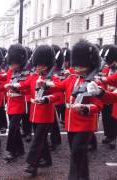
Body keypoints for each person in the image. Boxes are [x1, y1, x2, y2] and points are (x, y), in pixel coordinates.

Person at [46, 40, 103, 180]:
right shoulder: (71, 79)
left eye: (80, 64)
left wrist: (85, 108)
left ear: (88, 65)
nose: (76, 67)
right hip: (71, 123)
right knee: (79, 154)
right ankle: (84, 177)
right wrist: (46, 83)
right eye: (76, 64)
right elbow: (58, 86)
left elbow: (99, 105)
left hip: (85, 124)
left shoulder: (95, 82)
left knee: (76, 152)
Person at [10, 45, 60, 176]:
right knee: (41, 140)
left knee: (37, 140)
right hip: (34, 114)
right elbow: (25, 86)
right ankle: (47, 160)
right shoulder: (33, 77)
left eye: (41, 65)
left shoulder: (52, 79)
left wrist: (48, 99)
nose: (37, 67)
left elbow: (59, 95)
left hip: (46, 116)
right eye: (37, 65)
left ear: (47, 65)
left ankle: (32, 165)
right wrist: (14, 86)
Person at [3, 44, 28, 161]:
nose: (12, 66)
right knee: (15, 128)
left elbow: (28, 87)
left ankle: (12, 151)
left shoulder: (26, 73)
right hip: (10, 103)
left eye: (15, 63)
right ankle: (21, 149)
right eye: (11, 63)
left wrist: (17, 87)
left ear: (21, 62)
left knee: (12, 127)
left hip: (19, 104)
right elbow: (7, 83)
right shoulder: (10, 72)